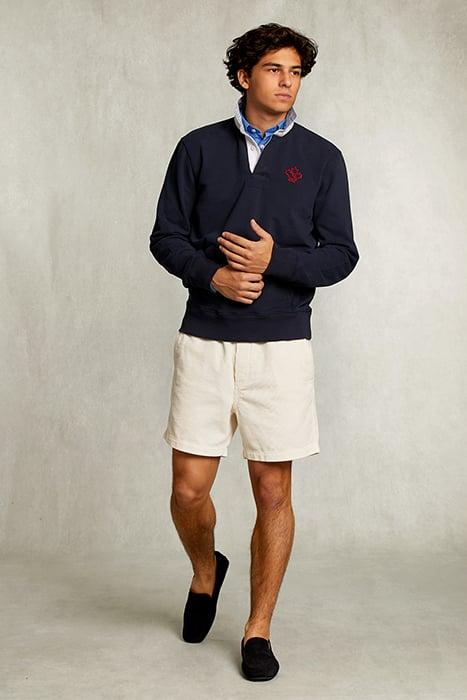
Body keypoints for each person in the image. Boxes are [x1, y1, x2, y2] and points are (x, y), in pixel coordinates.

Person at [149, 22, 359, 682]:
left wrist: (277, 261)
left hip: (281, 345)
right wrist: (211, 275)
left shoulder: (321, 158)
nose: (287, 81)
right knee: (189, 490)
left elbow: (341, 254)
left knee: (273, 489)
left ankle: (257, 629)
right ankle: (204, 570)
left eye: (296, 71)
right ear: (244, 76)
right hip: (206, 338)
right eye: (274, 69)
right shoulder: (198, 148)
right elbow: (165, 236)